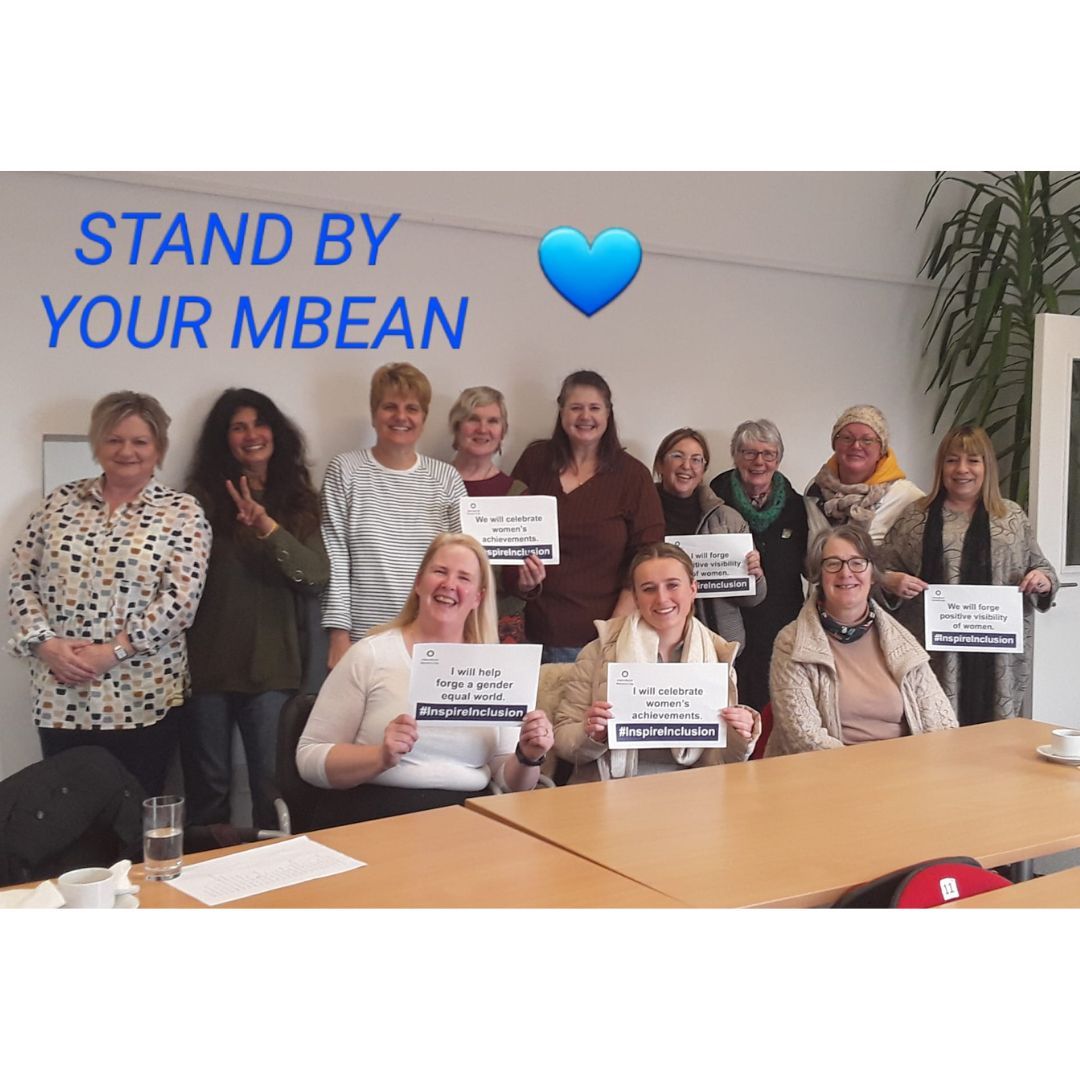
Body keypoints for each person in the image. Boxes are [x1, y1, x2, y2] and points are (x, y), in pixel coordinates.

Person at [7, 391, 210, 796]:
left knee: (135, 812)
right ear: (97, 444)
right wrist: (44, 644)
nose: (126, 451)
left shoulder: (182, 512)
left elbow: (181, 601)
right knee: (63, 812)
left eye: (140, 441)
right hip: (60, 692)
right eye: (114, 439)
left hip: (141, 695)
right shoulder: (57, 505)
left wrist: (113, 651)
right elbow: (20, 577)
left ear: (159, 448)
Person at [296, 533, 553, 825]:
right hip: (372, 816)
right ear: (419, 583)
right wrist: (380, 757)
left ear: (478, 597)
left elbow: (510, 784)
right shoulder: (370, 654)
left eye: (464, 578)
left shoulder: (498, 667)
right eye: (440, 572)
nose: (449, 585)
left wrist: (529, 756)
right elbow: (309, 758)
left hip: (467, 824)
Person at [181, 388, 330, 831]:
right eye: (238, 427)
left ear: (276, 432)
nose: (251, 435)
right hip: (206, 669)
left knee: (273, 787)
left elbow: (314, 576)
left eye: (259, 424)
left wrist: (266, 526)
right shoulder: (198, 500)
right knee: (208, 789)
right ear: (222, 439)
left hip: (274, 672)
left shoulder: (300, 501)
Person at [881, 424, 1058, 724]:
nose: (962, 469)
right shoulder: (916, 517)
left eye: (973, 460)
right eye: (952, 460)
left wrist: (1042, 580)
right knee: (935, 740)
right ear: (941, 466)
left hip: (998, 660)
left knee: (995, 745)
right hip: (934, 655)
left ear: (987, 465)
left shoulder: (1011, 518)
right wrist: (891, 581)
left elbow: (1043, 569)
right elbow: (878, 571)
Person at [554, 542, 759, 782]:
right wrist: (590, 734)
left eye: (672, 585)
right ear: (636, 598)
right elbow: (563, 741)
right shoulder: (599, 650)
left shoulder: (718, 654)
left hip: (692, 792)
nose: (662, 599)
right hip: (608, 788)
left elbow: (720, 761)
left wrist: (741, 734)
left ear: (693, 589)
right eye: (648, 589)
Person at [510, 370, 664, 662]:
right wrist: (521, 579)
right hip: (529, 635)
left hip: (598, 640)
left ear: (608, 413)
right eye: (576, 407)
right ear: (561, 412)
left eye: (594, 408)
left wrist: (613, 630)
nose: (585, 416)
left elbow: (648, 555)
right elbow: (510, 533)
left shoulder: (633, 476)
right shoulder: (534, 461)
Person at [321, 362, 467, 668]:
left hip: (433, 637)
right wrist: (338, 636)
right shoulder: (345, 471)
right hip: (365, 637)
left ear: (424, 418)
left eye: (412, 408)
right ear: (374, 414)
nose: (401, 417)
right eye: (390, 407)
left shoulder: (447, 479)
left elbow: (463, 563)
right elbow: (336, 555)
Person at [767, 524, 956, 756]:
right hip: (828, 775)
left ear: (873, 575)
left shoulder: (900, 640)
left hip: (905, 771)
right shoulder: (791, 642)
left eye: (857, 563)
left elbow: (941, 723)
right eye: (833, 563)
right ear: (819, 575)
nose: (846, 573)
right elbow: (803, 738)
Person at [710, 419, 809, 710]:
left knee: (777, 708)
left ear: (778, 458)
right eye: (749, 453)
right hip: (726, 626)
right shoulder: (711, 503)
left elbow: (810, 565)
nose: (759, 462)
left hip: (781, 625)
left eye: (768, 454)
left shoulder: (799, 507)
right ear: (735, 456)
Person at [652, 426, 765, 650]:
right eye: (677, 456)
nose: (687, 466)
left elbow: (753, 599)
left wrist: (755, 576)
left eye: (696, 459)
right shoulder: (641, 514)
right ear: (660, 465)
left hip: (717, 648)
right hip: (656, 646)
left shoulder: (728, 519)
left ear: (703, 470)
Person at [448, 385, 544, 642]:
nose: (483, 429)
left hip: (498, 623)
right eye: (473, 419)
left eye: (492, 421)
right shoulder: (433, 483)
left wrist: (527, 582)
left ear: (502, 433)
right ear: (457, 428)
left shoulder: (517, 493)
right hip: (441, 617)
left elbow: (516, 577)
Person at [804, 404, 923, 543]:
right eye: (847, 438)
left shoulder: (907, 497)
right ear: (835, 444)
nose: (856, 446)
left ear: (881, 450)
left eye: (867, 440)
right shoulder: (815, 489)